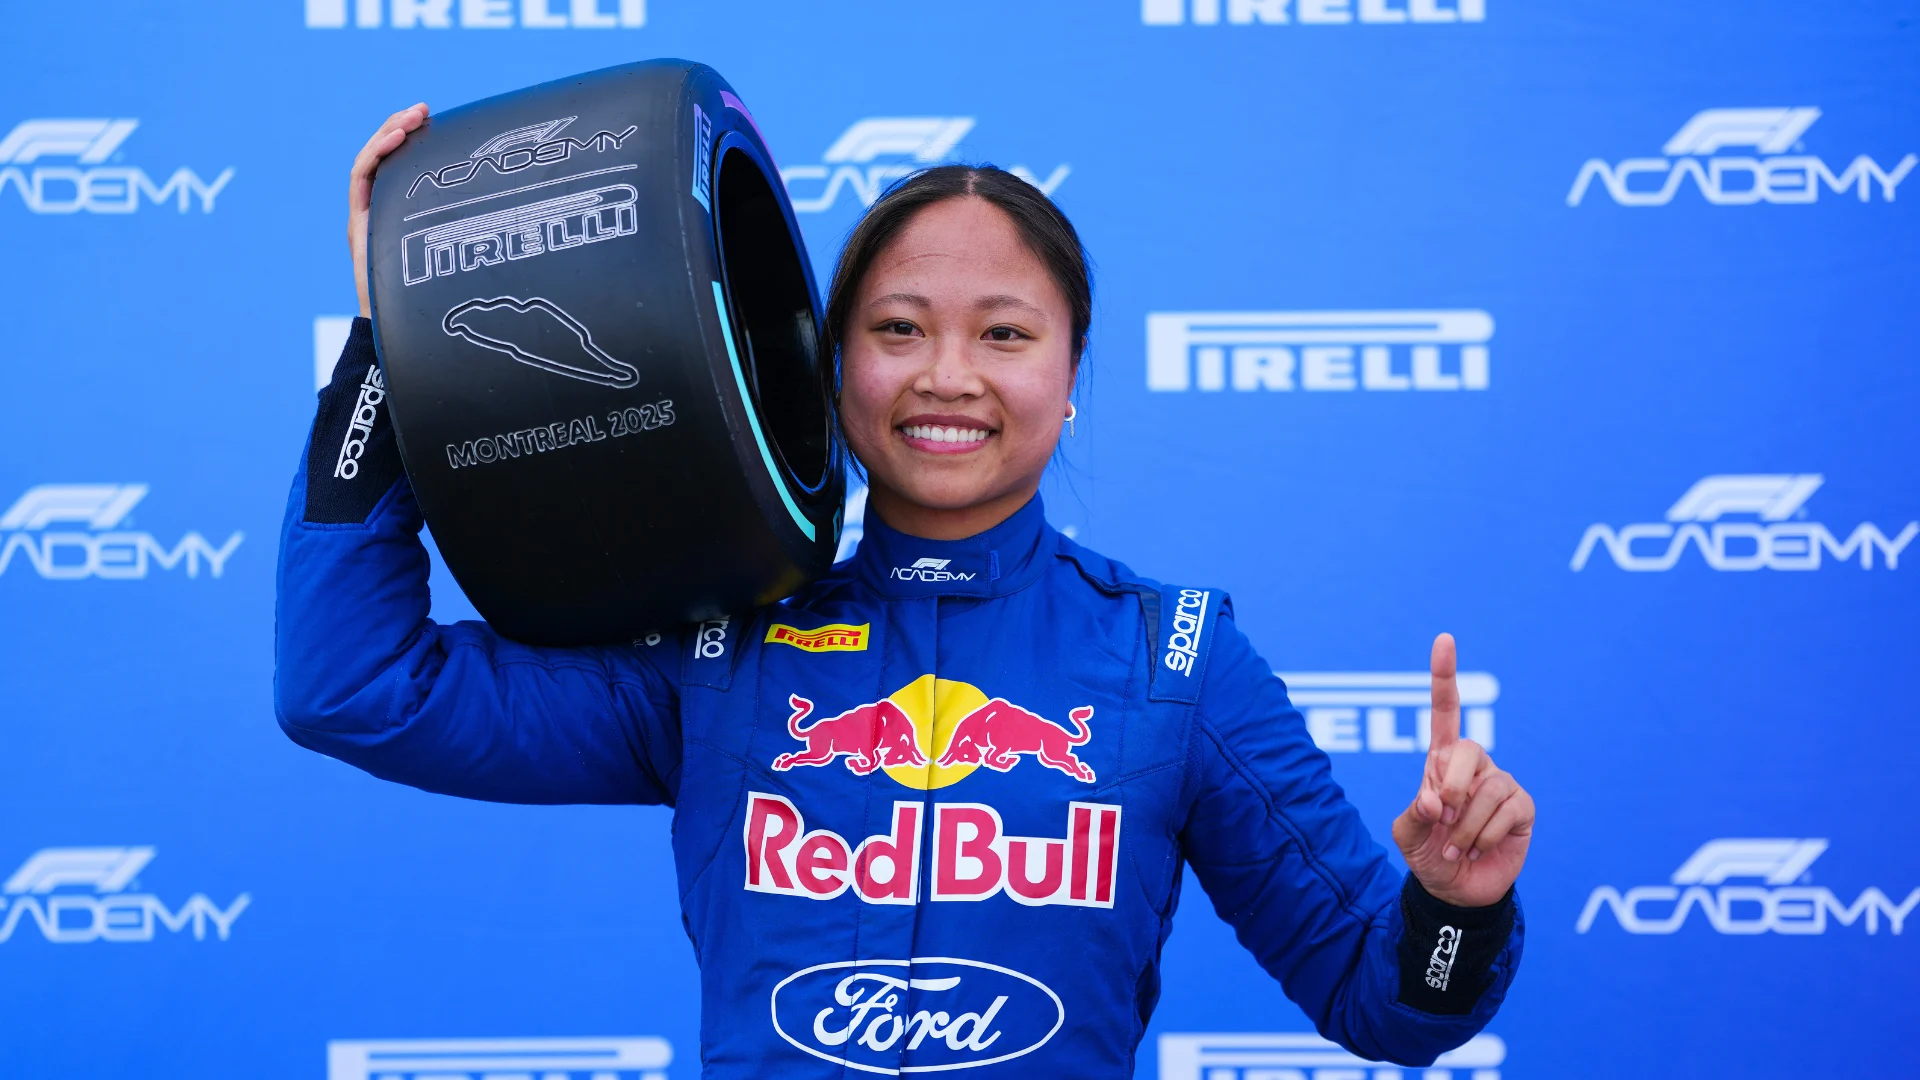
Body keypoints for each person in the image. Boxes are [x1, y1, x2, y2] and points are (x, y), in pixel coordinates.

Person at [278, 103, 1535, 1078]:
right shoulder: (721, 650)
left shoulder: (1176, 661)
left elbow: (1390, 1003)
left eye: (1004, 334)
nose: (947, 376)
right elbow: (358, 688)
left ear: (1071, 376)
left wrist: (1455, 907)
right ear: (831, 371)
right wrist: (395, 343)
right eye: (897, 329)